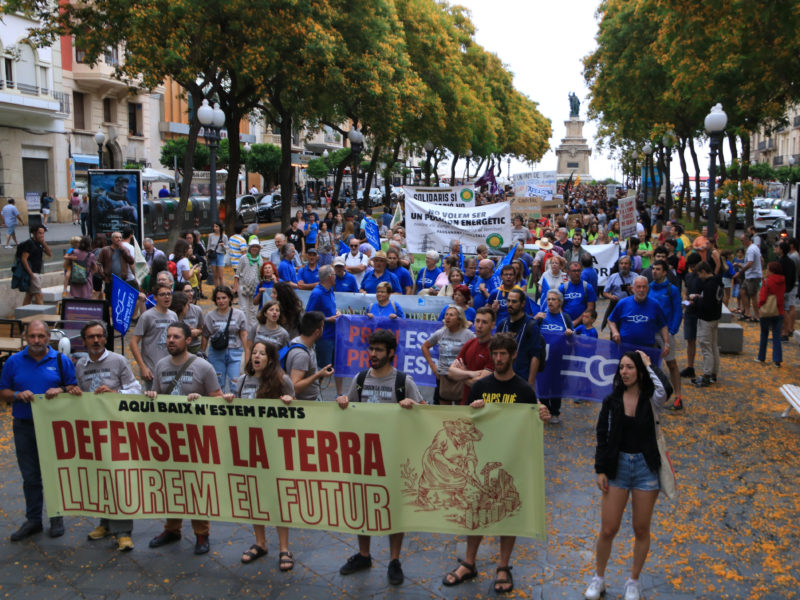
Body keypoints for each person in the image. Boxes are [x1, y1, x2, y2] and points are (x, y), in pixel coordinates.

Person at [442, 333, 550, 594]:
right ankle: (469, 562)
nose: (499, 358)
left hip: (511, 462)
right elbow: (467, 424)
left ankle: (503, 566)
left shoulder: (523, 389)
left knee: (507, 512)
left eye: (504, 354)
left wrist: (542, 416)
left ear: (513, 355)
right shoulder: (480, 386)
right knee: (475, 513)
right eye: (496, 354)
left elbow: (531, 426)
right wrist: (475, 409)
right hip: (481, 461)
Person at [335, 329, 425, 586]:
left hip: (395, 456)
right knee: (363, 505)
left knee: (394, 509)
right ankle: (364, 555)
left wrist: (413, 407)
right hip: (364, 456)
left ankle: (394, 560)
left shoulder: (403, 381)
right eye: (371, 349)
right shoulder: (361, 378)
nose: (373, 354)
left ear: (391, 353)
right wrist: (342, 401)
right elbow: (348, 408)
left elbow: (424, 414)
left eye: (378, 350)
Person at [584, 350, 666, 600]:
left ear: (640, 371)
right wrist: (600, 469)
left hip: (645, 468)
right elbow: (602, 435)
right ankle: (598, 578)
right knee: (608, 528)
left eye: (630, 367)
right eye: (622, 368)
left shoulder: (651, 399)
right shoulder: (612, 400)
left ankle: (634, 580)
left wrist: (650, 365)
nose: (625, 372)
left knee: (641, 529)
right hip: (617, 467)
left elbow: (666, 389)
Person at [146, 322, 223, 555]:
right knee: (171, 483)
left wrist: (201, 400)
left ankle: (201, 533)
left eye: (176, 337)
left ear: (188, 340)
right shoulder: (160, 366)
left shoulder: (203, 367)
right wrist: (151, 396)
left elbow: (218, 397)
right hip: (168, 437)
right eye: (168, 337)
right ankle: (172, 528)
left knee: (196, 485)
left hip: (195, 436)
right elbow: (158, 395)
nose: (171, 340)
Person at [0, 321, 80, 541]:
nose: (37, 341)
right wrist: (16, 395)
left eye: (41, 336)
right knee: (30, 475)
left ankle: (56, 518)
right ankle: (33, 519)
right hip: (24, 425)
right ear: (26, 337)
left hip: (54, 426)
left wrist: (61, 389)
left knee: (54, 472)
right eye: (33, 336)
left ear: (48, 337)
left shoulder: (61, 361)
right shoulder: (13, 362)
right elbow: (3, 391)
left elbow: (74, 389)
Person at [75, 321, 142, 551]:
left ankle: (123, 531)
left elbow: (136, 389)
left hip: (117, 430)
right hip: (93, 431)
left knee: (119, 478)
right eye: (91, 337)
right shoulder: (80, 364)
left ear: (105, 339)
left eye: (100, 336)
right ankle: (104, 523)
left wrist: (116, 394)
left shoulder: (118, 361)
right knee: (100, 477)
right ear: (84, 341)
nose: (96, 341)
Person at [235, 341, 296, 571]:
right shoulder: (242, 381)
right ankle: (260, 543)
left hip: (274, 446)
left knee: (278, 496)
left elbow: (298, 414)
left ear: (270, 359)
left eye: (262, 353)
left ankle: (284, 547)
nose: (256, 357)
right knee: (254, 496)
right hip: (250, 447)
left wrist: (290, 403)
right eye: (254, 353)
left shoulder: (282, 380)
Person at [532, 289, 575, 423]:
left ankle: (555, 412)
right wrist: (534, 320)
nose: (550, 302)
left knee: (556, 386)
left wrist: (570, 335)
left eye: (553, 299)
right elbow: (530, 333)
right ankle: (545, 410)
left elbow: (573, 341)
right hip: (543, 360)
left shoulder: (565, 318)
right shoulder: (541, 317)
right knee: (543, 385)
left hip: (558, 360)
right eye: (548, 299)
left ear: (560, 302)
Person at [648, 260, 684, 409]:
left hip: (666, 333)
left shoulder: (672, 290)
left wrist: (672, 331)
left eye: (658, 269)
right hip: (650, 332)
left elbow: (677, 311)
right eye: (653, 269)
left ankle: (678, 397)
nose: (654, 271)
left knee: (671, 363)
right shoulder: (648, 287)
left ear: (664, 272)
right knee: (651, 365)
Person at [422, 306, 475, 405]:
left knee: (461, 412)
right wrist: (433, 367)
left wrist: (469, 370)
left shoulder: (468, 335)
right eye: (446, 314)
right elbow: (424, 347)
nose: (447, 317)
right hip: (443, 376)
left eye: (451, 315)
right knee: (444, 413)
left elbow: (477, 349)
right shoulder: (440, 333)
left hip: (460, 377)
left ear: (459, 319)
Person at [130, 283, 178, 390]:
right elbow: (133, 342)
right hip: (152, 371)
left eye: (169, 294)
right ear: (155, 297)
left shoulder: (173, 315)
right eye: (162, 294)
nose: (167, 297)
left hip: (171, 369)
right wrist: (142, 366)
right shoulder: (147, 316)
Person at [202, 285, 248, 393]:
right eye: (218, 298)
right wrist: (202, 353)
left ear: (229, 298)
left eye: (224, 298)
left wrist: (247, 354)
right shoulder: (210, 316)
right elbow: (205, 336)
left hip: (235, 352)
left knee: (235, 383)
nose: (221, 301)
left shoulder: (239, 314)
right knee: (218, 384)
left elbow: (244, 335)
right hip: (216, 353)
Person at [497, 288, 546, 388]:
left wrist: (530, 383)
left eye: (514, 301)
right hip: (502, 378)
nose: (510, 304)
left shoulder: (531, 326)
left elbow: (535, 357)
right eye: (508, 301)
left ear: (523, 304)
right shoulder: (502, 324)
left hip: (522, 380)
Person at [446, 306, 496, 404]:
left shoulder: (495, 348)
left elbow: (479, 383)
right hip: (466, 403)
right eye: (477, 321)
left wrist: (462, 374)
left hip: (486, 405)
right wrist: (470, 373)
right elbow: (451, 372)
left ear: (492, 325)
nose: (479, 325)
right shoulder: (470, 343)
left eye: (484, 322)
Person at [609, 277, 669, 353]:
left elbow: (663, 325)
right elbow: (611, 320)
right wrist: (615, 332)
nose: (641, 290)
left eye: (644, 287)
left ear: (647, 288)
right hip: (625, 348)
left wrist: (666, 344)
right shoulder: (623, 303)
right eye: (638, 287)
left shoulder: (655, 304)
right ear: (632, 288)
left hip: (648, 348)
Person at [284, 311, 334, 401]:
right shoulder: (301, 355)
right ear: (317, 332)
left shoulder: (304, 342)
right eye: (322, 326)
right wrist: (319, 374)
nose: (323, 329)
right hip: (306, 404)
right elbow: (295, 387)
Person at [687, 261, 723, 387]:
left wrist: (696, 299)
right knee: (713, 346)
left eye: (699, 274)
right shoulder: (718, 281)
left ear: (703, 272)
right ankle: (713, 373)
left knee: (706, 347)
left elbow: (706, 305)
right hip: (715, 318)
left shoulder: (708, 285)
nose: (699, 277)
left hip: (706, 319)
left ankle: (707, 375)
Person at [305, 265, 340, 380]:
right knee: (322, 369)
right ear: (330, 277)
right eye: (334, 274)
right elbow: (308, 314)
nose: (336, 276)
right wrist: (327, 319)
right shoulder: (317, 293)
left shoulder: (330, 290)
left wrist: (337, 312)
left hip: (333, 335)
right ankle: (316, 393)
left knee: (332, 367)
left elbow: (330, 308)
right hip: (323, 337)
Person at [755, 261, 785, 367]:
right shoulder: (783, 280)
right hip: (779, 311)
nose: (766, 271)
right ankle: (777, 360)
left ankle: (761, 356)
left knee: (764, 334)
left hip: (767, 311)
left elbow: (763, 298)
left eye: (767, 269)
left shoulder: (767, 282)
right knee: (776, 336)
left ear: (772, 271)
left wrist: (759, 307)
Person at [18, 225, 52, 305]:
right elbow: (24, 258)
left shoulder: (39, 244)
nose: (42, 235)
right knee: (38, 295)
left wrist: (43, 242)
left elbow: (50, 253)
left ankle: (23, 314)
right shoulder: (29, 243)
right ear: (34, 233)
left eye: (43, 233)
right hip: (33, 273)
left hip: (37, 272)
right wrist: (30, 273)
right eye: (40, 233)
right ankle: (43, 315)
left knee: (29, 295)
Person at [555, 261, 597, 327]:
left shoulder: (587, 287)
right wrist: (564, 320)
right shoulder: (563, 288)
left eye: (578, 270)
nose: (577, 273)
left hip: (582, 323)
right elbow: (558, 306)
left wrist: (576, 321)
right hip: (565, 323)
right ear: (569, 272)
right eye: (574, 271)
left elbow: (590, 308)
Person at [234, 236, 263, 329]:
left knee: (252, 309)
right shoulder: (243, 258)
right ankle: (243, 327)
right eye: (253, 246)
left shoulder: (260, 259)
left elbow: (261, 275)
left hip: (254, 287)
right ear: (249, 248)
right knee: (243, 309)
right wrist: (235, 286)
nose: (254, 248)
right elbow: (237, 273)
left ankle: (252, 327)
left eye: (256, 247)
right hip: (243, 285)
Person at [736, 233, 762, 322]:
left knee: (753, 295)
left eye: (742, 240)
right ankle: (747, 312)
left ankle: (757, 316)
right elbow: (760, 260)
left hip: (753, 275)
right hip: (750, 275)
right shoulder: (753, 247)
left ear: (747, 239)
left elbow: (750, 263)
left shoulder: (751, 249)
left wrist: (741, 271)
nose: (741, 242)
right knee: (743, 291)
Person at [775, 241, 796, 341]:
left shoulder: (781, 262)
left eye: (778, 247)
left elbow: (779, 276)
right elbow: (793, 277)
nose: (776, 249)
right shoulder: (790, 261)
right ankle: (785, 331)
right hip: (788, 288)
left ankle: (785, 332)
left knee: (784, 311)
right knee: (785, 309)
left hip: (782, 289)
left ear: (782, 250)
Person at [207, 222, 228, 288]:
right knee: (215, 275)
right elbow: (208, 246)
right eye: (214, 227)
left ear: (220, 227)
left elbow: (227, 249)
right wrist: (207, 255)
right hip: (213, 255)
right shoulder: (211, 236)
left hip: (220, 255)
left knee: (221, 276)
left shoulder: (224, 236)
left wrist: (223, 246)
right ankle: (217, 289)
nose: (215, 228)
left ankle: (223, 289)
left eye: (216, 226)